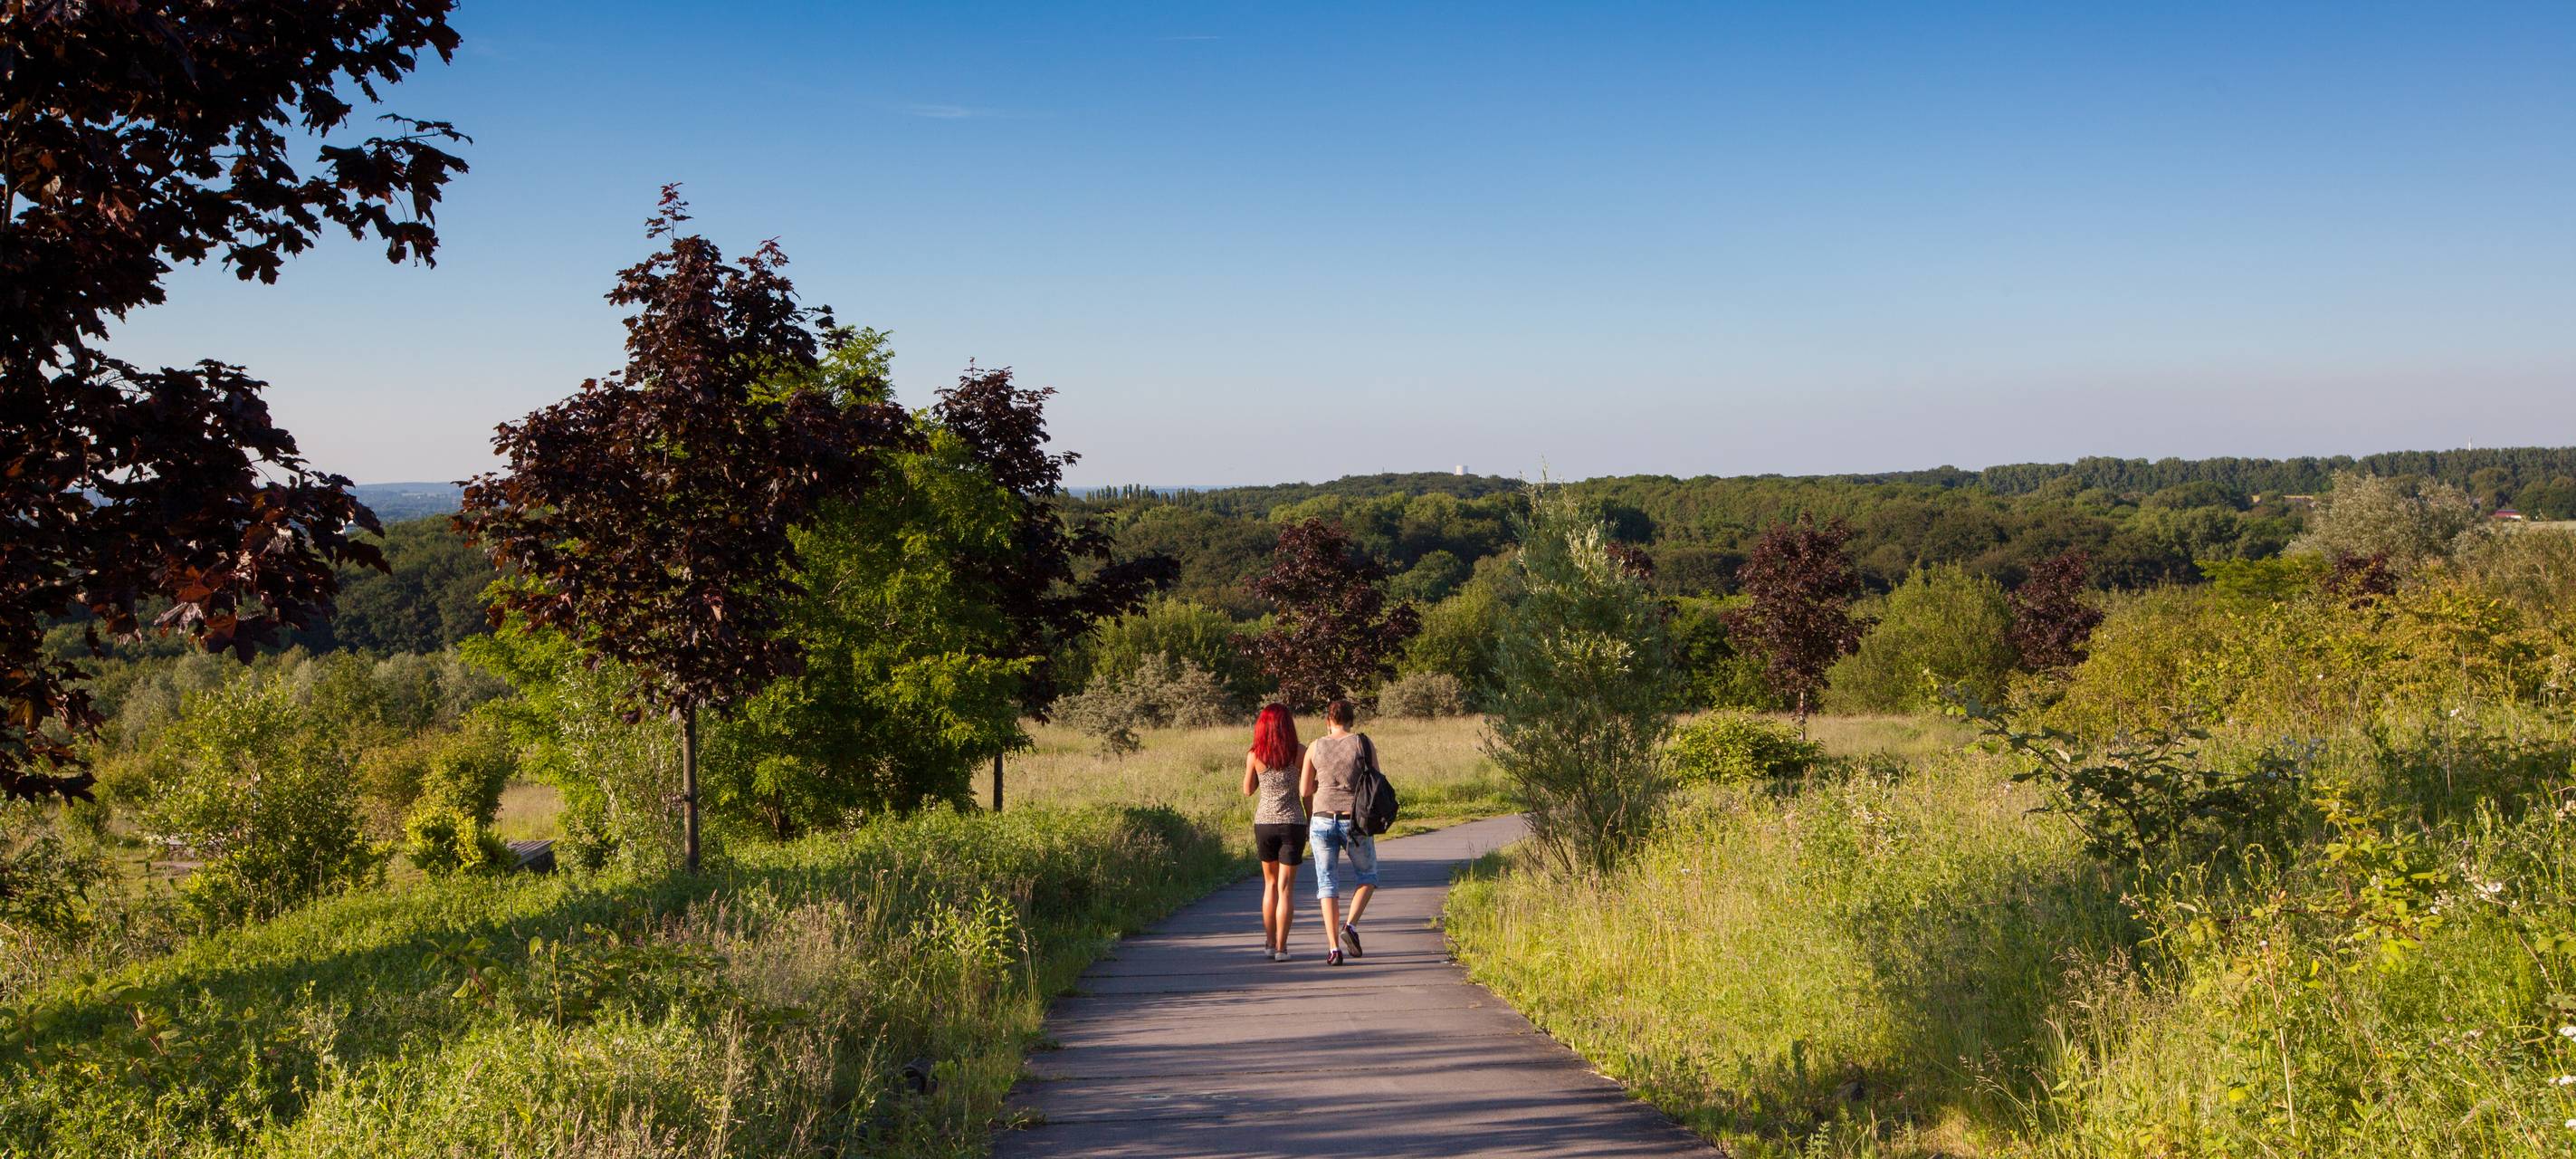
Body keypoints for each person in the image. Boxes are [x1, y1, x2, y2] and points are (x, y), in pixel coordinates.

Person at [1299, 698, 1378, 966]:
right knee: (1368, 875)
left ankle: (1333, 948)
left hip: (1321, 820)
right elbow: (1375, 780)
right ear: (1351, 719)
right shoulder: (1362, 743)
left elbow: (1304, 791)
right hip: (1352, 821)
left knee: (1327, 884)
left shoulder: (1314, 747)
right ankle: (1351, 926)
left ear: (1327, 721)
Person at [1241, 703, 1306, 962]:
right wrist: (1311, 819)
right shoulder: (1299, 752)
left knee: (1269, 885)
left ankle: (1268, 943)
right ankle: (1282, 947)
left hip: (1265, 823)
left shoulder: (1255, 755)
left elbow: (1247, 790)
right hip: (1293, 822)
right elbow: (1307, 791)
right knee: (1286, 888)